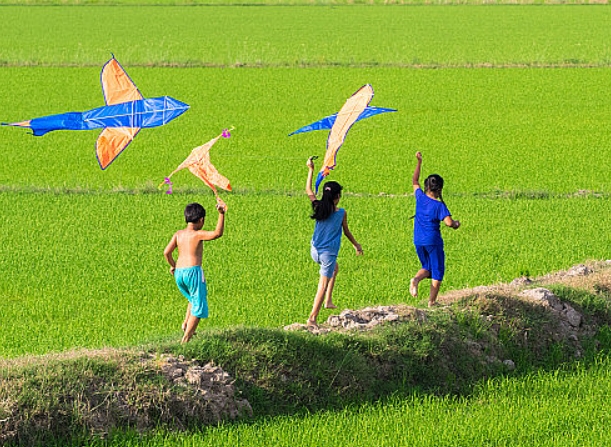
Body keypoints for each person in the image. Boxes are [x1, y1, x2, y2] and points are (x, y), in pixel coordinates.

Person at [306, 157, 363, 328]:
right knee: (322, 285)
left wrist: (310, 169)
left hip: (314, 250)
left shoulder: (318, 206)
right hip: (327, 254)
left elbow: (308, 189)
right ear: (337, 196)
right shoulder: (341, 213)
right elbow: (346, 231)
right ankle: (312, 318)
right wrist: (356, 245)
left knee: (335, 269)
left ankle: (328, 301)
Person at [163, 200, 226, 343]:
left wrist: (174, 266)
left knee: (192, 298)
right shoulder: (197, 234)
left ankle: (186, 324)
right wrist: (221, 214)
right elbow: (217, 233)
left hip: (179, 273)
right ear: (201, 220)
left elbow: (166, 252)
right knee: (199, 306)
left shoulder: (178, 234)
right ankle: (185, 340)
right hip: (193, 272)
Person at [410, 152, 460, 307]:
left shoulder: (420, 197)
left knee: (428, 268)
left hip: (418, 239)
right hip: (433, 242)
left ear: (427, 187)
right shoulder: (439, 206)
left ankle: (416, 280)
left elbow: (414, 180)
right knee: (437, 273)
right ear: (439, 190)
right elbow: (448, 223)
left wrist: (419, 162)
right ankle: (432, 302)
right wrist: (456, 224)